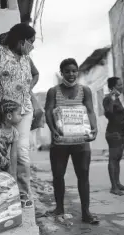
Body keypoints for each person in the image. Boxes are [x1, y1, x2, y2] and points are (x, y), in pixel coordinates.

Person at [0, 23, 39, 206]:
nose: (32, 45)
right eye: (30, 41)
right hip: (1, 111)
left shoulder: (26, 58)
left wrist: (27, 89)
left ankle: (23, 193)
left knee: (21, 152)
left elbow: (35, 74)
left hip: (23, 110)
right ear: (21, 39)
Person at [44, 58, 99, 225]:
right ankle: (59, 208)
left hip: (81, 142)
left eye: (74, 71)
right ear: (62, 73)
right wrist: (53, 131)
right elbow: (48, 112)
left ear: (78, 72)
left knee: (83, 175)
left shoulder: (85, 91)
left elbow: (90, 110)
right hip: (60, 141)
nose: (71, 74)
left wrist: (94, 127)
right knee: (58, 175)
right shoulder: (53, 91)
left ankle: (86, 213)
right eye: (67, 71)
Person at [103, 77, 124, 196]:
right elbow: (108, 114)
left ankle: (118, 183)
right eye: (119, 85)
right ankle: (113, 187)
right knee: (113, 159)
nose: (121, 86)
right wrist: (113, 99)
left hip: (120, 132)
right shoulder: (108, 98)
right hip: (113, 133)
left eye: (121, 84)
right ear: (113, 87)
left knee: (118, 159)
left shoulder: (117, 99)